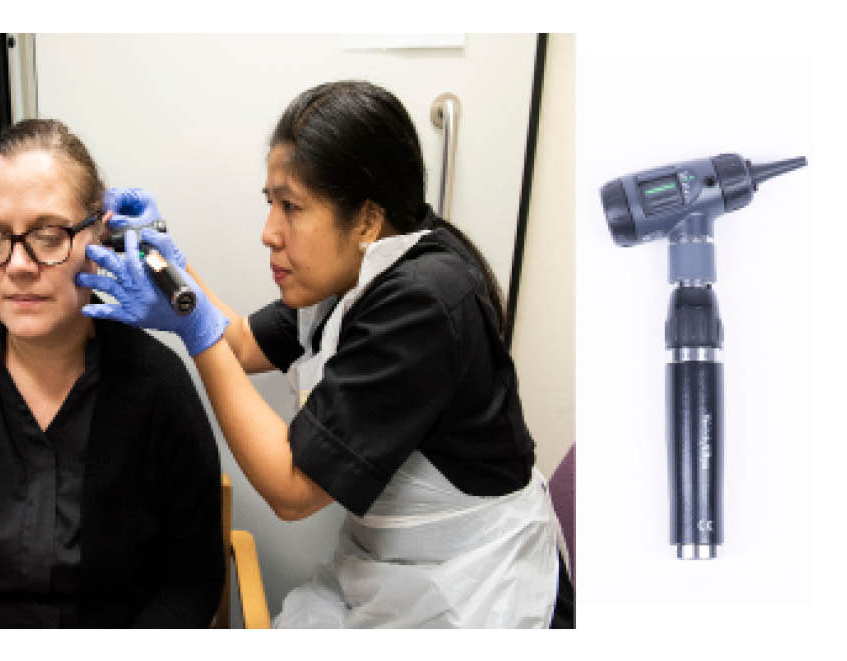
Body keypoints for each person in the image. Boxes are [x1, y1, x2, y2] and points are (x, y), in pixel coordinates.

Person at [80, 81, 574, 628]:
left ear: (365, 218)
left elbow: (292, 488)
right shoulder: (356, 270)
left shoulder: (422, 304)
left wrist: (193, 331)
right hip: (396, 573)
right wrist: (161, 252)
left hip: (474, 589)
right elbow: (241, 343)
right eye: (271, 203)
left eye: (291, 207)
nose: (269, 233)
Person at [0, 119, 225, 628]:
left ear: (99, 234)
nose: (17, 265)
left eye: (47, 234)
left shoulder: (157, 388)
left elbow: (193, 578)